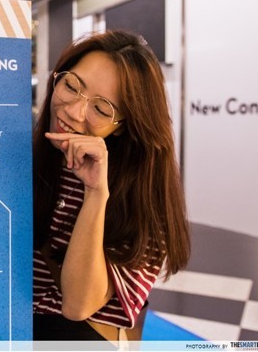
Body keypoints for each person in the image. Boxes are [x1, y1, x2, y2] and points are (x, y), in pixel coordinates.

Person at [32, 29, 190, 341]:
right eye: (71, 86)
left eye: (101, 109)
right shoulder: (24, 161)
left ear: (122, 127)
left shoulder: (143, 199)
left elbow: (78, 305)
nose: (73, 111)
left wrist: (96, 193)